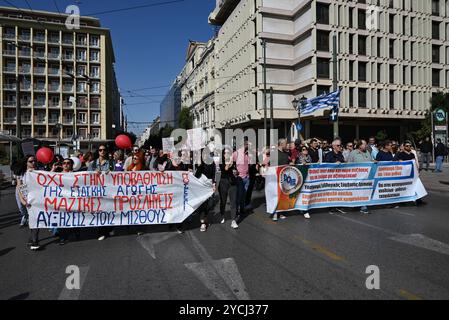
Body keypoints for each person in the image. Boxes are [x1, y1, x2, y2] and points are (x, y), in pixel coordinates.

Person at [88, 145, 114, 240]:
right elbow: (87, 176)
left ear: (106, 151)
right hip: (97, 191)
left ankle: (109, 228)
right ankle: (101, 232)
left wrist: (112, 173)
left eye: (104, 150)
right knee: (99, 211)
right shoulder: (92, 164)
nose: (102, 151)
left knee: (109, 210)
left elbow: (118, 174)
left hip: (108, 190)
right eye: (100, 150)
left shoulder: (111, 162)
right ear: (98, 151)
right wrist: (94, 173)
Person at [16, 155, 40, 250]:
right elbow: (20, 187)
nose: (33, 163)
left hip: (38, 199)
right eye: (31, 161)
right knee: (32, 218)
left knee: (36, 218)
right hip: (28, 199)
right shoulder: (21, 174)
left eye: (34, 161)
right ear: (26, 162)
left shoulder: (38, 171)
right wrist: (22, 200)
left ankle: (35, 240)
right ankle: (32, 237)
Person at [347, 140, 373, 214]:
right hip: (356, 176)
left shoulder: (367, 152)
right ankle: (357, 204)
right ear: (360, 145)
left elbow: (370, 161)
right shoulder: (353, 153)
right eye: (364, 144)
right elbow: (349, 164)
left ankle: (363, 206)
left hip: (366, 176)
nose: (366, 145)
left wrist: (373, 162)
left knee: (364, 190)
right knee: (357, 191)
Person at [195, 149, 216, 232]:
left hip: (209, 186)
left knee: (210, 204)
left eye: (206, 154)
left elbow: (214, 174)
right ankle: (203, 222)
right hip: (201, 187)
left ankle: (205, 218)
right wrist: (199, 166)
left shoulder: (212, 163)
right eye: (203, 154)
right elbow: (196, 176)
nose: (204, 155)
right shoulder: (200, 164)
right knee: (202, 204)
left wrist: (214, 183)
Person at [323, 139, 346, 214]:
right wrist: (334, 163)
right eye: (338, 145)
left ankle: (339, 206)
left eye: (340, 145)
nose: (340, 147)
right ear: (333, 146)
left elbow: (343, 162)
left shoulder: (340, 154)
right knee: (332, 192)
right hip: (331, 177)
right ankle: (331, 207)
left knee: (339, 191)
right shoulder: (329, 154)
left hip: (340, 177)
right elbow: (325, 165)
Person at [219, 147, 239, 229]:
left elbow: (236, 171)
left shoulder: (233, 162)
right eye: (225, 153)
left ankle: (233, 220)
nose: (227, 154)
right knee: (223, 201)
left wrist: (236, 172)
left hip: (232, 183)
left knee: (233, 202)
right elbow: (226, 168)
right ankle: (222, 215)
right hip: (223, 182)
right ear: (223, 154)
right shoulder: (221, 162)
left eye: (229, 153)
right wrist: (230, 161)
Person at [233, 140, 250, 219]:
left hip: (247, 177)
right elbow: (230, 163)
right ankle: (237, 210)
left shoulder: (247, 154)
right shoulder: (236, 153)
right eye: (248, 144)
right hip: (239, 178)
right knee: (239, 195)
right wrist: (234, 171)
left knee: (244, 195)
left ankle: (242, 209)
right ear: (244, 145)